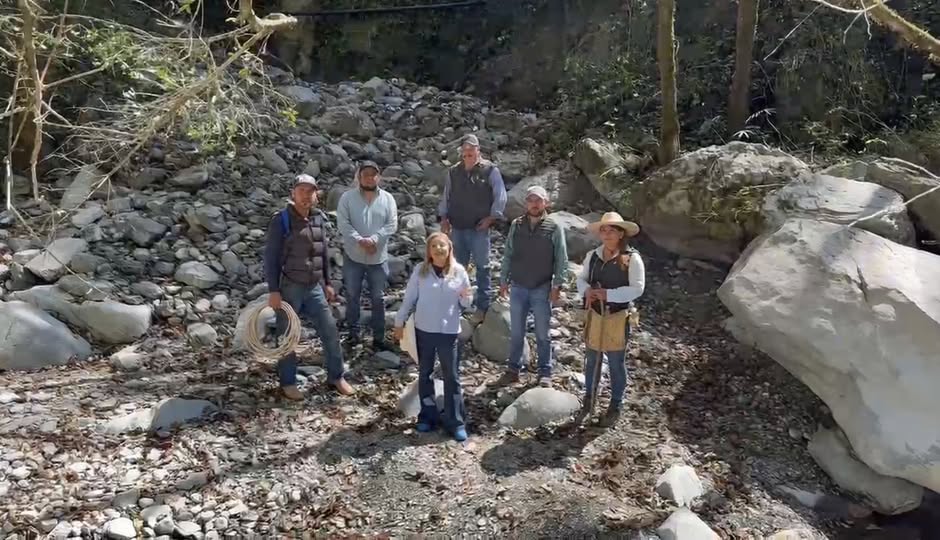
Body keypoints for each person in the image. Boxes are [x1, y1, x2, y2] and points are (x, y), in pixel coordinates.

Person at [264, 174, 354, 400]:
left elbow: (322, 253)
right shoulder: (281, 220)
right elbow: (271, 258)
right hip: (290, 286)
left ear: (316, 195)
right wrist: (273, 290)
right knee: (288, 336)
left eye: (310, 191)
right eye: (301, 191)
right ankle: (288, 382)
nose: (306, 195)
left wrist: (327, 283)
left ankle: (336, 376)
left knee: (329, 330)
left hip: (314, 287)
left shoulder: (317, 218)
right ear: (293, 194)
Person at [394, 232, 473, 441]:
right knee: (425, 373)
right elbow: (409, 299)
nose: (439, 249)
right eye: (434, 246)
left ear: (449, 249)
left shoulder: (459, 271)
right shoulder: (420, 271)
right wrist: (399, 322)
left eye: (442, 245)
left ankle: (455, 421)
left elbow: (466, 303)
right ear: (429, 251)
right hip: (424, 330)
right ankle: (427, 416)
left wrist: (466, 297)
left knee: (451, 376)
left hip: (449, 332)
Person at [574, 212, 645, 427]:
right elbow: (581, 279)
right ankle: (590, 397)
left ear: (621, 234)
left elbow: (637, 288)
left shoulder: (632, 258)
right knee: (591, 358)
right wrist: (587, 291)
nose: (607, 234)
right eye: (604, 230)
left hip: (617, 316)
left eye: (612, 230)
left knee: (615, 362)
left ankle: (616, 403)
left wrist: (609, 294)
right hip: (595, 314)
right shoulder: (593, 256)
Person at [498, 185, 568, 388]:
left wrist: (557, 285)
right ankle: (513, 370)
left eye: (539, 200)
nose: (535, 204)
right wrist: (503, 280)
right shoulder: (516, 225)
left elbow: (561, 258)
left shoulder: (554, 227)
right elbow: (508, 252)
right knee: (516, 332)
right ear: (526, 203)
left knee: (542, 334)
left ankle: (545, 372)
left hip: (542, 287)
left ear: (546, 203)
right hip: (518, 285)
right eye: (531, 200)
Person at [438, 134, 507, 322]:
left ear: (478, 150)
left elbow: (500, 195)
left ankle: (482, 307)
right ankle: (458, 304)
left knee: (482, 267)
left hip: (479, 228)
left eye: (471, 149)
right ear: (461, 151)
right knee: (457, 267)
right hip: (457, 227)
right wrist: (444, 218)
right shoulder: (454, 172)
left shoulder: (490, 170)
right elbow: (446, 195)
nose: (468, 152)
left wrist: (491, 218)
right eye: (465, 149)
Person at [337, 161, 398, 350]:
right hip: (353, 257)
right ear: (359, 177)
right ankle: (353, 335)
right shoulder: (347, 198)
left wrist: (374, 240)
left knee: (378, 299)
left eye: (373, 174)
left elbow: (392, 224)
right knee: (352, 295)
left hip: (378, 259)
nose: (370, 178)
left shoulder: (388, 199)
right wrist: (360, 240)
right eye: (366, 174)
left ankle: (378, 338)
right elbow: (343, 223)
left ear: (379, 177)